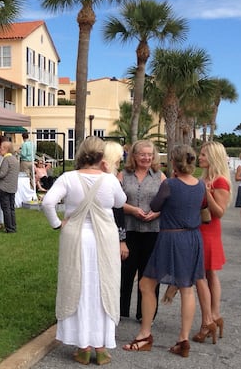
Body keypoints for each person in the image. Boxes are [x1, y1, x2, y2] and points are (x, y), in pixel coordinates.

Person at [41, 137, 127, 365]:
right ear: (102, 157)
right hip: (105, 240)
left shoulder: (68, 178)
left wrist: (57, 224)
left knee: (77, 284)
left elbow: (48, 202)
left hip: (76, 238)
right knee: (102, 286)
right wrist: (109, 174)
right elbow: (121, 202)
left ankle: (82, 347)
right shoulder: (109, 180)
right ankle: (101, 348)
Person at [123, 145, 206, 358]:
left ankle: (145, 334)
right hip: (193, 238)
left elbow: (156, 204)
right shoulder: (200, 185)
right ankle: (183, 338)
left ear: (174, 163)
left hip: (171, 237)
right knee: (188, 288)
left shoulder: (169, 184)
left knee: (146, 283)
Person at [117, 140, 166, 322]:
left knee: (149, 273)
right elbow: (115, 202)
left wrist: (156, 213)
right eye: (142, 154)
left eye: (149, 154)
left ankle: (145, 313)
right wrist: (132, 210)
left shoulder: (160, 176)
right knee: (125, 271)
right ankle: (120, 310)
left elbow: (168, 201)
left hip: (152, 230)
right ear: (134, 156)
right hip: (129, 229)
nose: (146, 158)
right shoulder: (123, 175)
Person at [193, 141, 231, 344]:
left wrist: (206, 192)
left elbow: (220, 212)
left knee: (204, 275)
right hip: (201, 229)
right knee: (208, 274)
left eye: (204, 155)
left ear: (213, 157)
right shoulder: (205, 178)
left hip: (209, 231)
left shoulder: (220, 181)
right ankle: (214, 316)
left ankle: (209, 319)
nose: (200, 158)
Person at [0, 140, 20, 233]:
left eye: (2, 148)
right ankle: (13, 226)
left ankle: (9, 228)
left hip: (4, 187)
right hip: (12, 187)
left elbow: (2, 174)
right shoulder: (14, 159)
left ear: (6, 149)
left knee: (6, 208)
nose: (0, 149)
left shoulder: (6, 159)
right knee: (11, 208)